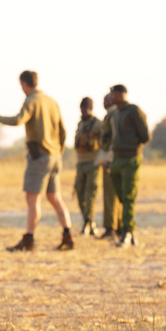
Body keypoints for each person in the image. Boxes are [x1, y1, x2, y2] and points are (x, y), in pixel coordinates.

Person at [0, 70, 72, 252]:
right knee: (55, 197)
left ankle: (29, 239)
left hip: (40, 157)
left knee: (33, 199)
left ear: (24, 84)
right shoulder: (51, 102)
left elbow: (19, 120)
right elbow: (63, 131)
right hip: (55, 157)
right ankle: (68, 235)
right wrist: (59, 152)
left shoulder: (32, 101)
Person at [107, 84, 149, 246]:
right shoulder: (115, 114)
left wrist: (132, 146)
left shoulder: (134, 111)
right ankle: (128, 228)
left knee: (128, 197)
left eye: (113, 94)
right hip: (117, 159)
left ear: (121, 94)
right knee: (122, 196)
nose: (111, 97)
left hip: (131, 158)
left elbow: (145, 136)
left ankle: (128, 232)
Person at [72, 97, 102, 235]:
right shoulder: (80, 124)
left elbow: (103, 143)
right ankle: (87, 220)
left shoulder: (97, 124)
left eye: (86, 107)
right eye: (82, 107)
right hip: (81, 162)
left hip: (93, 162)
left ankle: (88, 222)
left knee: (90, 193)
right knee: (79, 191)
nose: (83, 110)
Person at [97, 93, 121, 239]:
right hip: (115, 159)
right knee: (116, 195)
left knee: (110, 195)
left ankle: (110, 228)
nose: (104, 103)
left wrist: (109, 159)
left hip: (110, 159)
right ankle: (117, 226)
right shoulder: (114, 115)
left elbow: (114, 139)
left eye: (106, 100)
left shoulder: (113, 116)